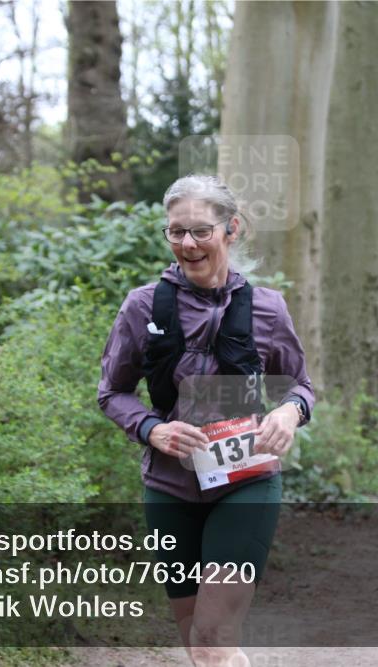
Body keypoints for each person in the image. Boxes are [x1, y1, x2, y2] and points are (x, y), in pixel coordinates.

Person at [98, 174, 315, 666]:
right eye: (176, 232)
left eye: (200, 231)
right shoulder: (142, 306)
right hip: (169, 487)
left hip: (246, 482)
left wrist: (287, 410)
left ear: (231, 229)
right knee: (201, 644)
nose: (188, 245)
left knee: (214, 634)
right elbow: (111, 392)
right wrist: (154, 428)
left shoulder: (267, 308)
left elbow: (300, 385)